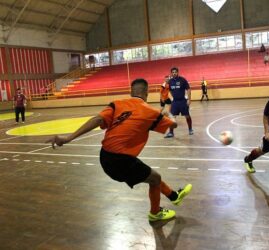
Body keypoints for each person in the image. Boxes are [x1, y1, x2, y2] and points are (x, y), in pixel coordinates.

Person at [46, 79, 192, 222]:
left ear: (130, 91)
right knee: (155, 178)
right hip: (121, 160)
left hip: (104, 156)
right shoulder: (151, 112)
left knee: (153, 177)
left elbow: (97, 119)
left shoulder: (116, 104)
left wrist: (68, 138)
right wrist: (168, 115)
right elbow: (173, 126)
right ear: (147, 93)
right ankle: (155, 213)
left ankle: (174, 196)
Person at [164, 67, 193, 138]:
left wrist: (189, 99)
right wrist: (172, 97)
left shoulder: (182, 80)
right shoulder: (170, 81)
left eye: (175, 72)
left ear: (177, 72)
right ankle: (171, 133)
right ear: (171, 73)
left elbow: (188, 89)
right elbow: (168, 90)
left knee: (187, 116)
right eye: (173, 72)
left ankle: (190, 129)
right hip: (175, 102)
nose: (174, 73)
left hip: (183, 101)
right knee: (172, 117)